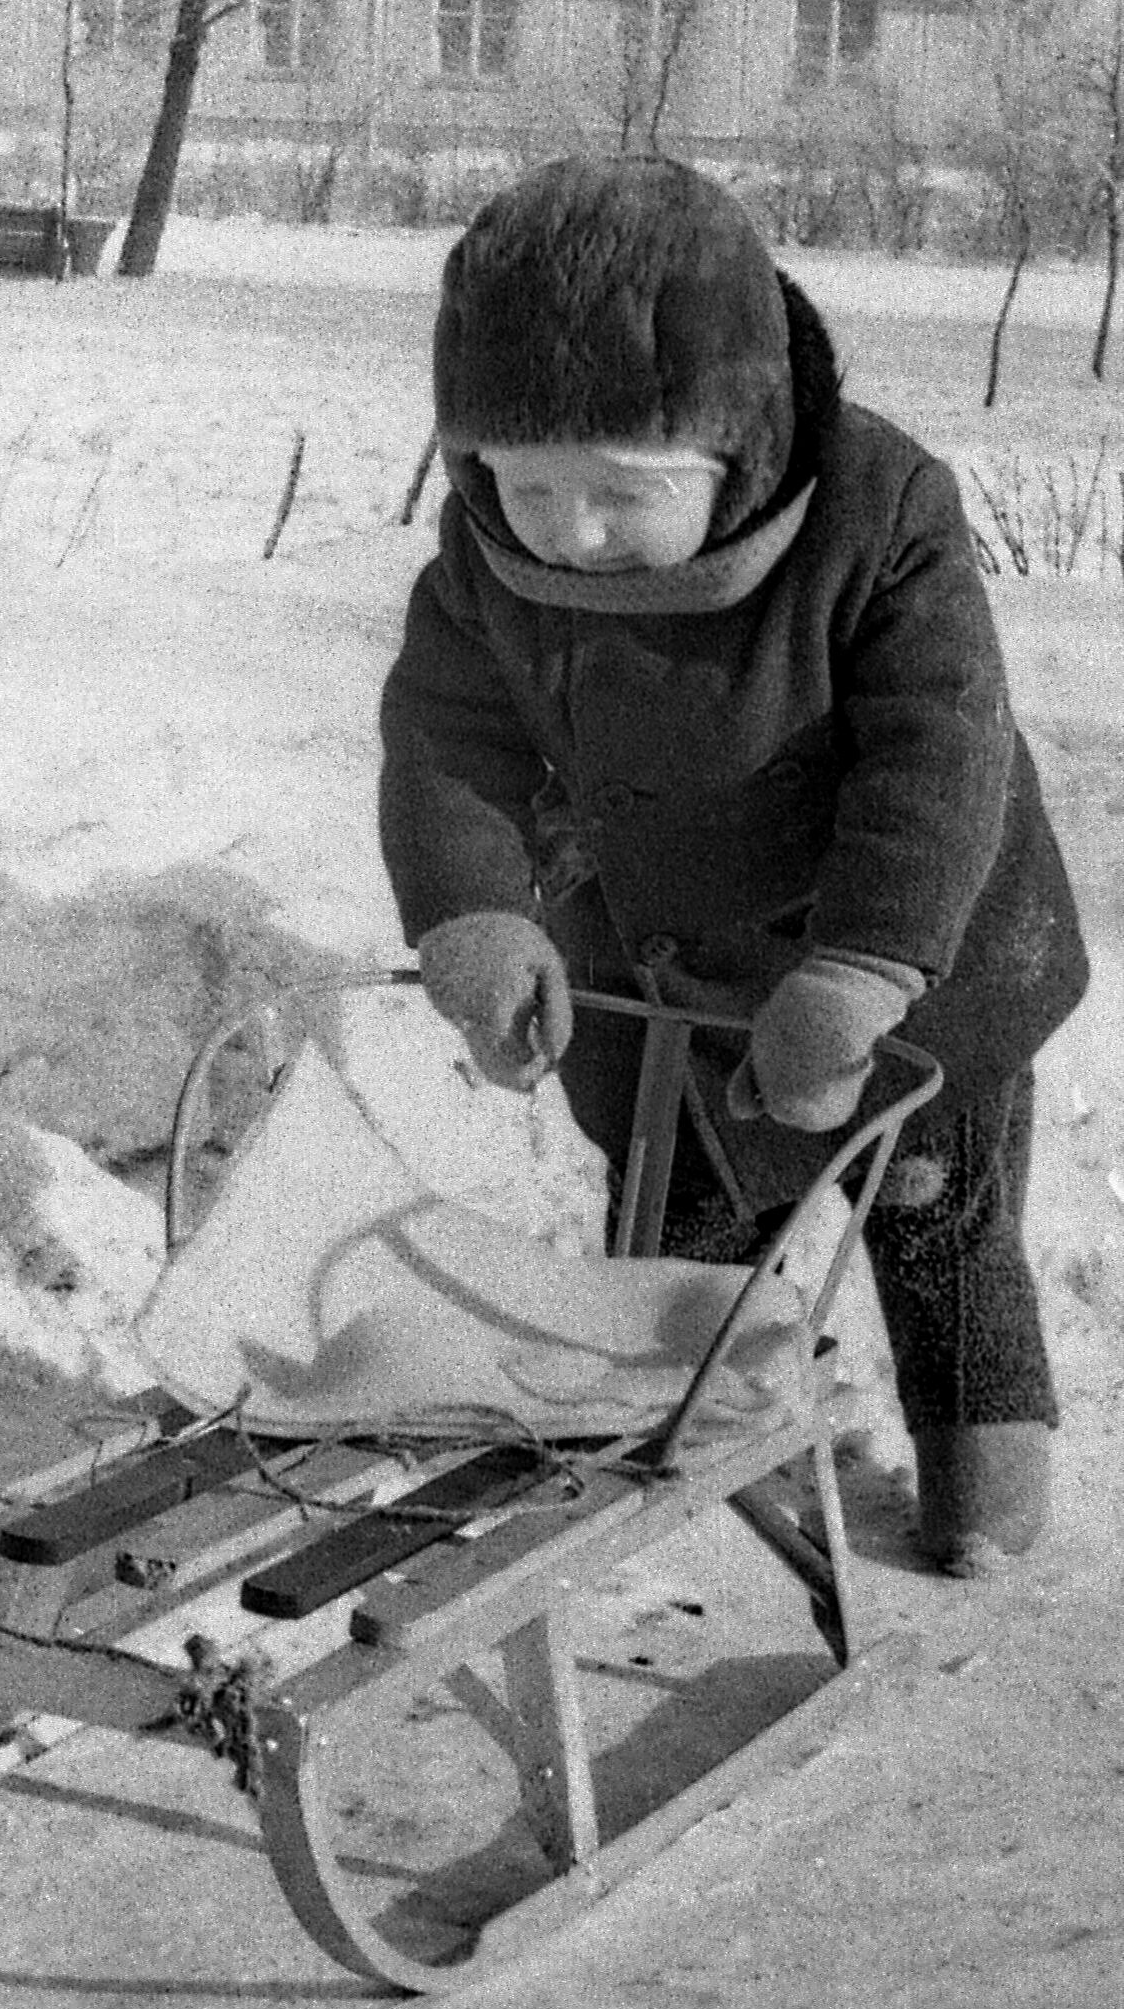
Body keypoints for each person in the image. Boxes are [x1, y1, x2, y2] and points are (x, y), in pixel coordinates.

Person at [378, 155, 1088, 1578]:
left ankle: (982, 1466)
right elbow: (449, 738)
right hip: (669, 955)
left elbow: (937, 757)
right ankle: (685, 1442)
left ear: (738, 445)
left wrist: (860, 973)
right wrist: (478, 916)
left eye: (622, 491)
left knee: (928, 1208)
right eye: (529, 482)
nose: (571, 530)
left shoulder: (876, 516)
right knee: (685, 1222)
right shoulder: (486, 560)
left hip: (910, 945)